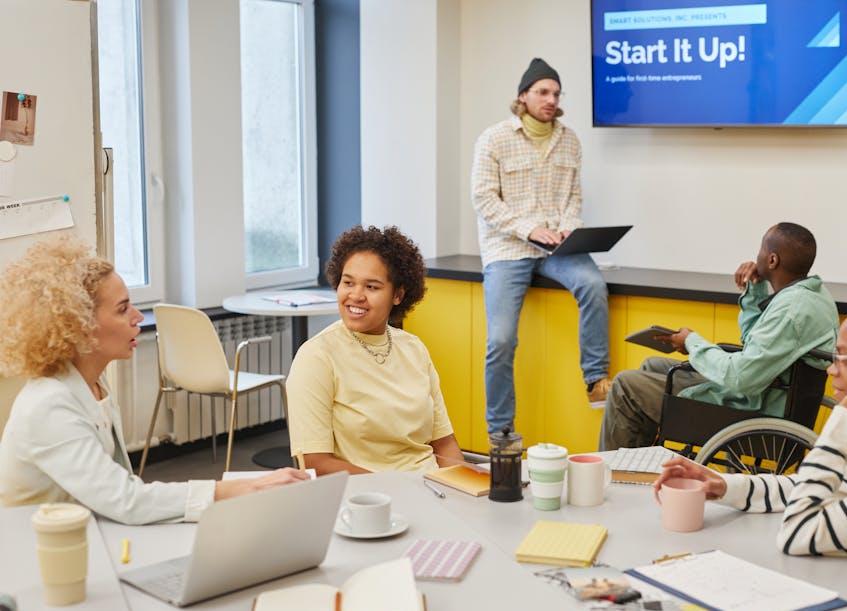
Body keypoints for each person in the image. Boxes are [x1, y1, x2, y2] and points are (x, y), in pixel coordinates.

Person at [0, 237, 309, 525]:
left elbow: (119, 493)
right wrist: (244, 488)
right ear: (79, 327)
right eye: (123, 309)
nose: (137, 316)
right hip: (35, 557)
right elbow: (126, 500)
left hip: (85, 534)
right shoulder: (50, 405)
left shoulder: (94, 384)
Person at [654, 287, 847, 564]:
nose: (831, 369)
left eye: (843, 357)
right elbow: (822, 488)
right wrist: (725, 485)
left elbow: (799, 531)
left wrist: (844, 423)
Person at [599, 222, 839, 450]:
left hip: (756, 408)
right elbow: (754, 343)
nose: (756, 257)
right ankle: (639, 466)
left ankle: (613, 476)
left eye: (761, 251)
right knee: (653, 365)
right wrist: (754, 290)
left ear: (773, 260)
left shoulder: (791, 310)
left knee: (625, 386)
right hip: (772, 391)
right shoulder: (811, 295)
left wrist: (692, 342)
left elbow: (741, 376)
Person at [471, 57, 611, 434]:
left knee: (594, 285)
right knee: (500, 340)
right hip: (507, 250)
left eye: (556, 93)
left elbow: (573, 200)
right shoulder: (494, 138)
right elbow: (484, 201)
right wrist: (529, 229)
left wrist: (567, 229)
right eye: (543, 92)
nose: (551, 99)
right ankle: (500, 432)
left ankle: (596, 380)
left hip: (557, 249)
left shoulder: (570, 140)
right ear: (523, 96)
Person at [287, 225, 462, 475]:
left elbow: (444, 444)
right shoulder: (316, 357)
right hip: (366, 499)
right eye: (348, 283)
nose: (356, 295)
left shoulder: (414, 349)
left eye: (372, 287)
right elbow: (317, 463)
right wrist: (398, 493)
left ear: (398, 295)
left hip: (430, 488)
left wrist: (464, 490)